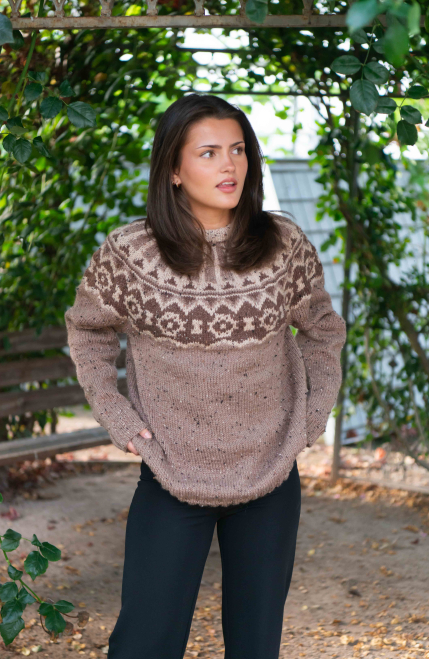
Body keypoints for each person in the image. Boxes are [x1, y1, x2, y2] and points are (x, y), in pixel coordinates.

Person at [64, 93, 346, 659]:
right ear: (173, 169)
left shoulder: (284, 245)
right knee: (143, 644)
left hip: (270, 471)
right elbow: (88, 331)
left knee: (255, 646)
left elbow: (322, 330)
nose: (229, 165)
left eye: (238, 150)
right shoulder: (131, 253)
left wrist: (313, 415)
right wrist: (118, 416)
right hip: (170, 470)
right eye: (209, 152)